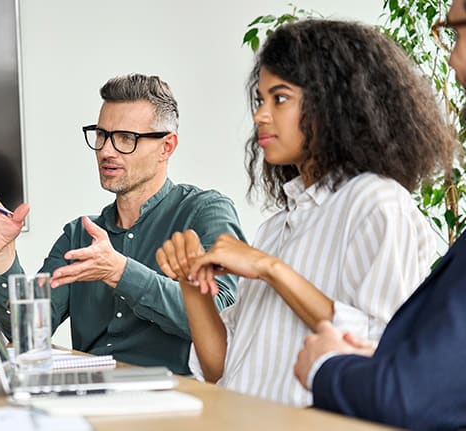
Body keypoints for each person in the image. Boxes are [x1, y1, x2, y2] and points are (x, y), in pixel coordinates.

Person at [156, 19, 453, 406]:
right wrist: (192, 284)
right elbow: (223, 367)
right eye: (260, 100)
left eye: (279, 98)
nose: (261, 116)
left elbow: (381, 352)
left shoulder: (376, 203)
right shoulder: (277, 227)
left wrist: (270, 269)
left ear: (335, 103)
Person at [0, 74, 245, 374]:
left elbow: (221, 318)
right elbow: (24, 333)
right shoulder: (79, 234)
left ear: (166, 147)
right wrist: (3, 255)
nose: (106, 150)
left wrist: (121, 272)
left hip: (173, 403)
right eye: (101, 135)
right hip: (89, 395)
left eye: (126, 138)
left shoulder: (204, 211)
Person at [293, 4, 466, 429]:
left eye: (457, 31)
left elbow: (410, 396)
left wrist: (326, 365)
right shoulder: (279, 220)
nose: (451, 58)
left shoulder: (380, 203)